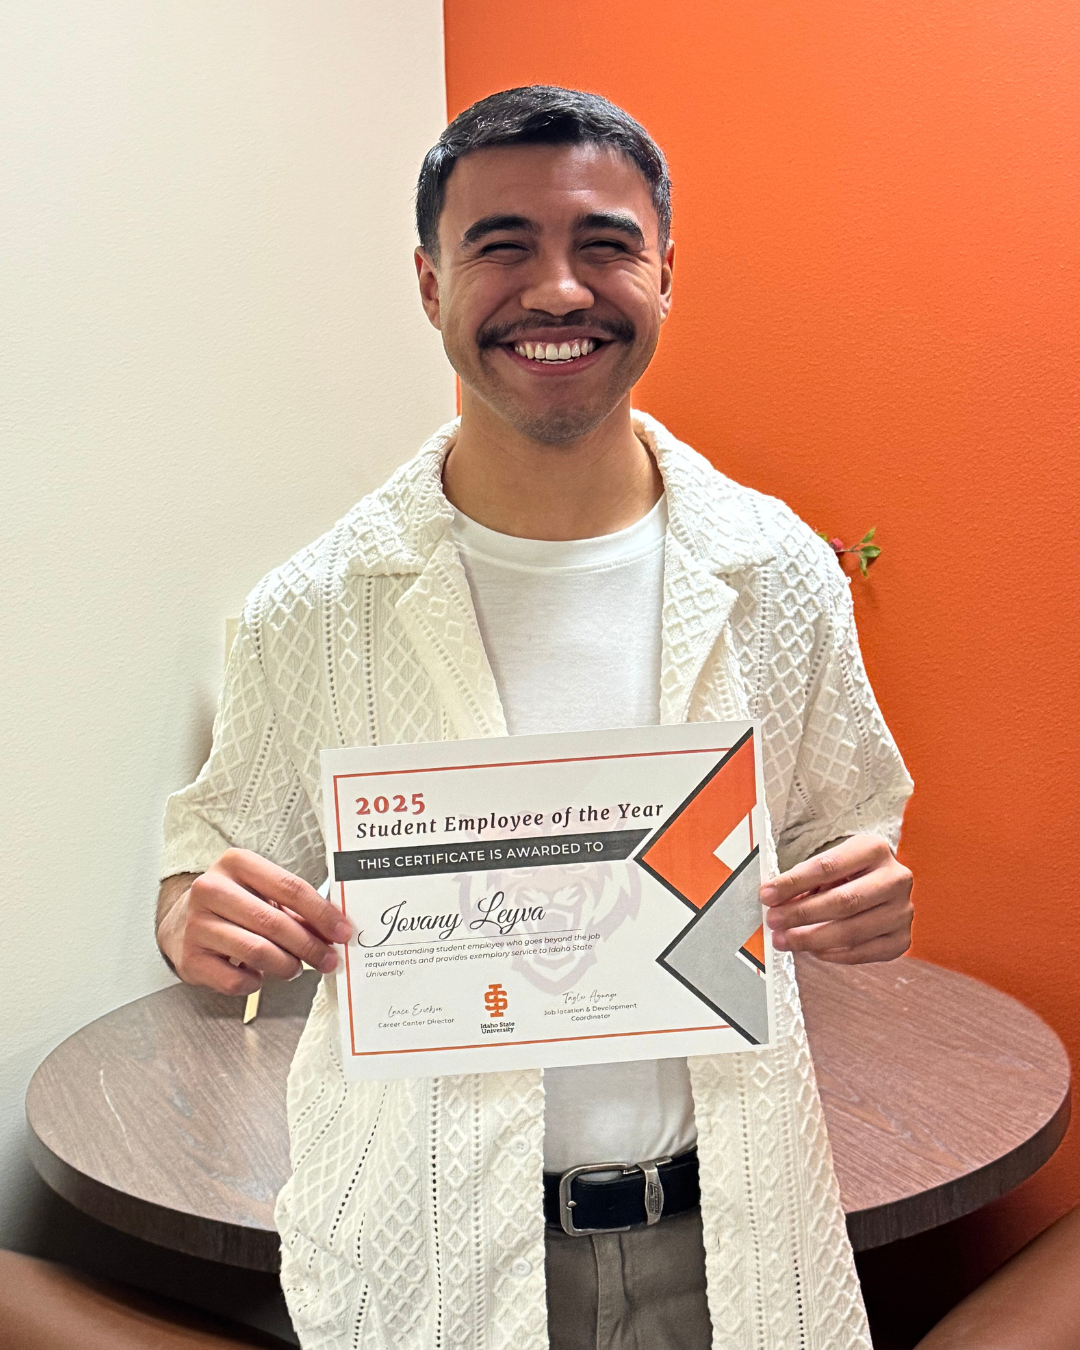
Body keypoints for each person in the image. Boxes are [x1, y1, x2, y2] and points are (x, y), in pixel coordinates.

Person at [157, 86, 914, 1350]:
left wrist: (871, 895)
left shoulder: (778, 577)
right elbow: (213, 859)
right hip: (430, 1256)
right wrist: (195, 914)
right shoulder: (317, 609)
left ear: (667, 270)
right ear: (428, 281)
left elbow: (854, 825)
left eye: (606, 244)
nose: (558, 291)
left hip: (725, 1248)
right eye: (500, 245)